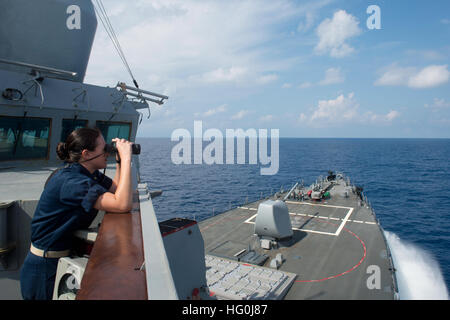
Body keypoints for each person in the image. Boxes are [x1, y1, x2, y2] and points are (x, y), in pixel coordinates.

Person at [19, 127, 134, 300]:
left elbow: (118, 191)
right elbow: (122, 204)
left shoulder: (88, 174)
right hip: (43, 268)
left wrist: (119, 161)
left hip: (59, 258)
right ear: (87, 154)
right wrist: (126, 159)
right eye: (104, 148)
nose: (107, 152)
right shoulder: (72, 182)